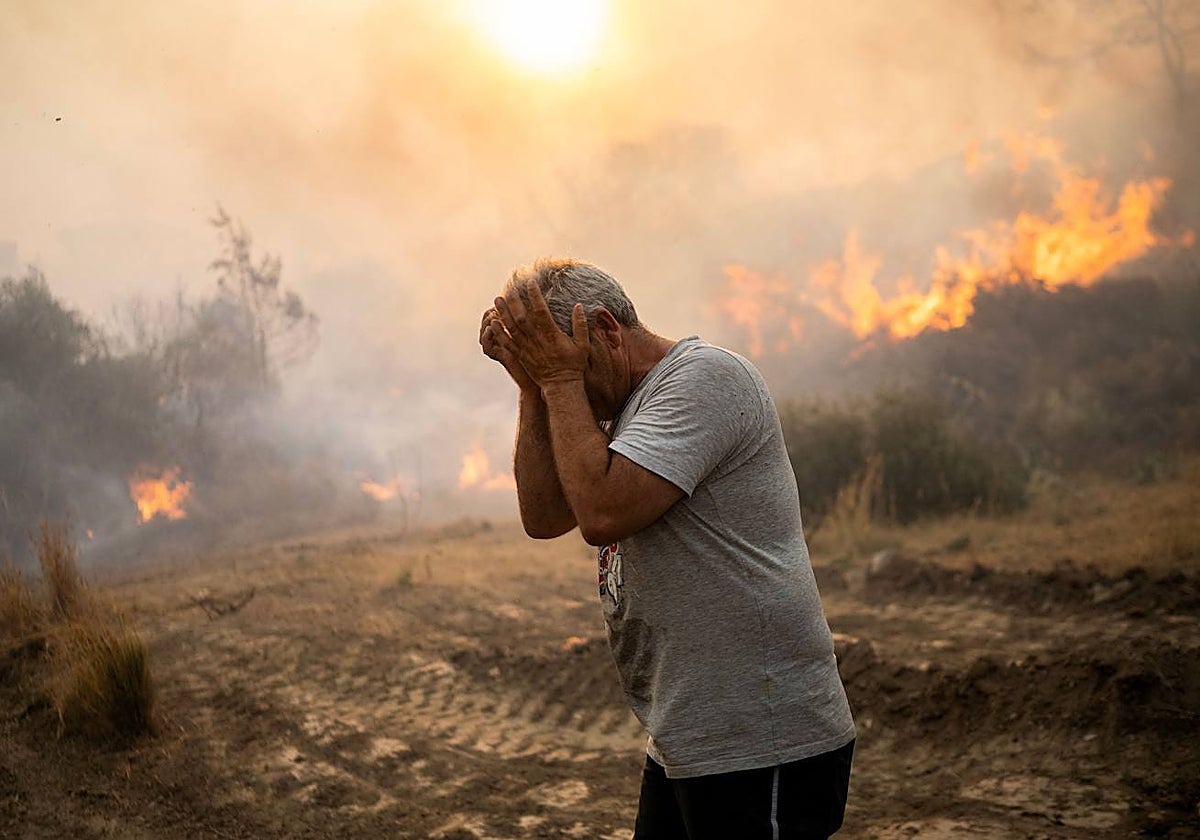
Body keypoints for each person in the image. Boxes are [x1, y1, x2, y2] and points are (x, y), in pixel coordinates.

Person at [479, 259, 855, 839]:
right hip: (691, 733)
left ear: (605, 329)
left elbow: (602, 514)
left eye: (570, 369)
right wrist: (534, 387)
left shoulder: (706, 379)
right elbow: (545, 515)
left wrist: (556, 382)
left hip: (760, 736)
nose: (568, 392)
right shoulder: (628, 407)